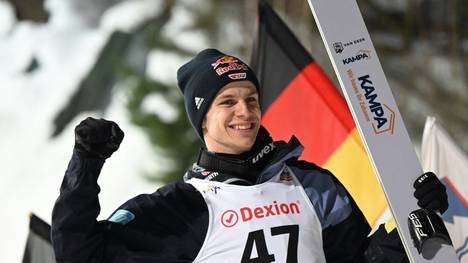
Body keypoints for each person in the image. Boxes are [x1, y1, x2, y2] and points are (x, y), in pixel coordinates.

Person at [51, 49, 448, 263]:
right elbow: (80, 254)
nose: (244, 112)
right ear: (203, 118)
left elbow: (362, 259)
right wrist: (86, 164)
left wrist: (415, 228)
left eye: (251, 99)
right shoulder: (180, 207)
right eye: (228, 102)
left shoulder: (312, 184)